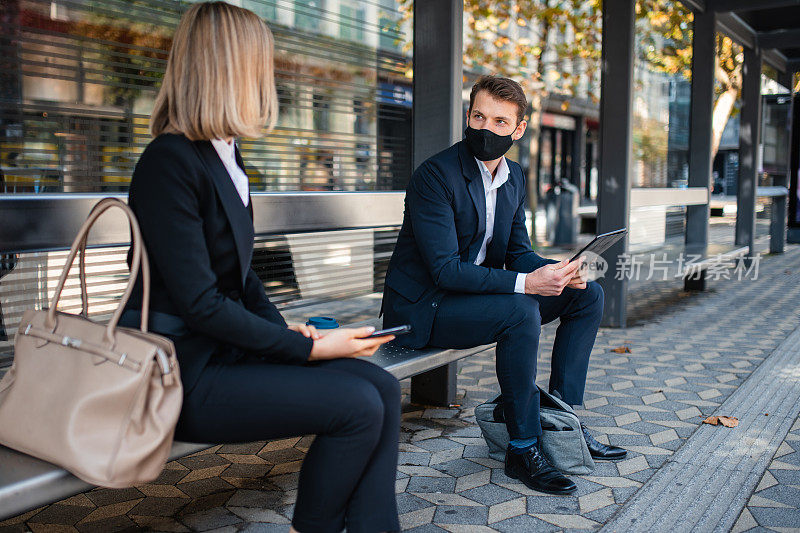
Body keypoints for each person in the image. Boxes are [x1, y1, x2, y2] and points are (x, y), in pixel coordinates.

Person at [120, 3, 400, 532]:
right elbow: (201, 303)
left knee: (381, 388)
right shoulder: (169, 162)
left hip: (228, 354)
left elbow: (242, 278)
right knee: (358, 406)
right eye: (262, 60)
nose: (269, 74)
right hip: (183, 375)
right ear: (233, 68)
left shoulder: (223, 152)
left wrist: (286, 333)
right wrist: (309, 348)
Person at [381, 75, 626, 496]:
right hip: (426, 306)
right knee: (520, 309)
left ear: (519, 129)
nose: (485, 129)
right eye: (478, 117)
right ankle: (522, 447)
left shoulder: (512, 176)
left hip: (473, 298)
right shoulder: (435, 176)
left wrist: (557, 271)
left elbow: (518, 254)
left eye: (499, 122)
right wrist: (527, 283)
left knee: (587, 295)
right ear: (468, 116)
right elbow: (444, 270)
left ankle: (561, 422)